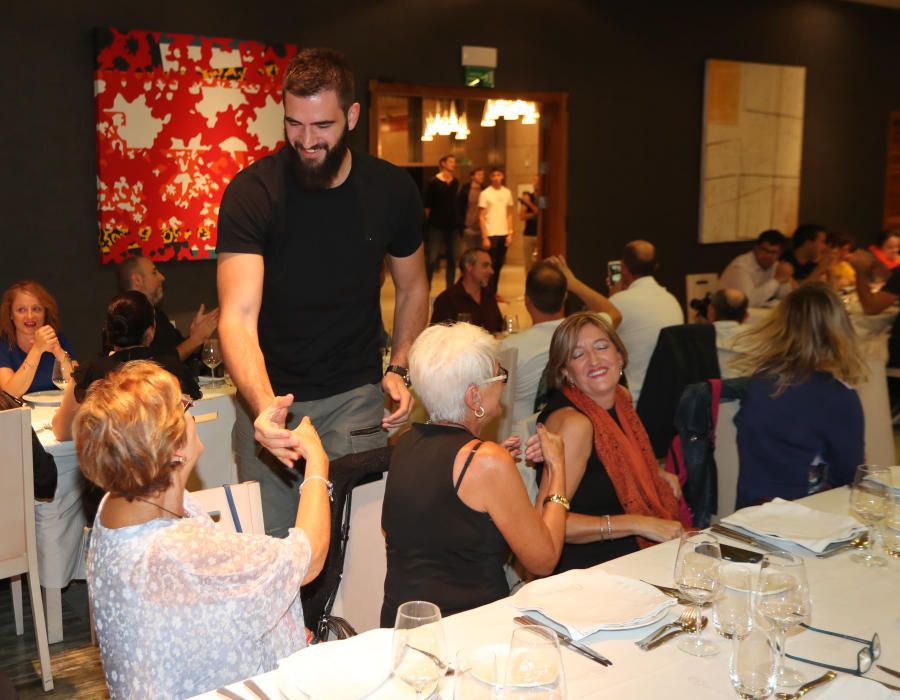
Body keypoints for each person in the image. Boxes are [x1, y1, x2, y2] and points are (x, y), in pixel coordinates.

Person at [216, 48, 428, 537]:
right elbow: (237, 316)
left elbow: (414, 288)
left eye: (322, 126)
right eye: (294, 124)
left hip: (353, 397)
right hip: (269, 401)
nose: (306, 141)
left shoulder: (391, 191)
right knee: (270, 557)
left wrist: (399, 366)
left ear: (352, 115)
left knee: (351, 550)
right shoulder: (254, 193)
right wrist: (266, 408)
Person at [75, 361, 331, 698]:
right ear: (175, 451)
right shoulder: (176, 548)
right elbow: (307, 558)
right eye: (183, 405)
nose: (190, 407)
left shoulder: (118, 503)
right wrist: (317, 462)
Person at [381, 322, 566, 623]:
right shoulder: (485, 462)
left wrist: (494, 471)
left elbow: (437, 533)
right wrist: (557, 469)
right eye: (498, 375)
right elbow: (543, 559)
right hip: (467, 635)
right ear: (474, 397)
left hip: (404, 629)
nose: (503, 383)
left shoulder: (405, 444)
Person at [537, 312, 682, 573]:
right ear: (566, 372)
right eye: (578, 355)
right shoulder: (575, 424)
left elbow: (616, 465)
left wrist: (655, 473)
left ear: (620, 356)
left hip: (631, 555)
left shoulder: (620, 399)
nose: (594, 360)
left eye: (602, 347)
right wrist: (637, 523)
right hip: (593, 568)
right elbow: (545, 526)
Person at [731, 283, 865, 508]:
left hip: (751, 512)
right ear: (840, 330)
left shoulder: (762, 380)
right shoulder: (837, 395)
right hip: (805, 519)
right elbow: (850, 474)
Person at [52, 291, 200, 441]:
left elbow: (63, 431)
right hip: (160, 460)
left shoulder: (92, 371)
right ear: (150, 332)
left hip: (112, 462)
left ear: (107, 331)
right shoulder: (173, 369)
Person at [501, 257, 621, 425]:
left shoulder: (511, 347)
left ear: (527, 301)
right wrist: (574, 283)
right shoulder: (585, 333)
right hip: (582, 424)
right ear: (565, 297)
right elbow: (613, 313)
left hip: (525, 442)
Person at [608, 241, 684, 404]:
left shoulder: (619, 302)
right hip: (669, 401)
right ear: (656, 266)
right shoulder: (672, 300)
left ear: (623, 267)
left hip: (633, 401)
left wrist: (610, 299)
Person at [117, 255, 219, 362]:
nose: (162, 277)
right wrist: (196, 339)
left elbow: (179, 351)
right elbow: (157, 364)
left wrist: (194, 336)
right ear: (137, 280)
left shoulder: (157, 315)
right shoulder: (126, 318)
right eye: (154, 272)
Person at [0, 281, 74, 397]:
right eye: (21, 310)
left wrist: (59, 353)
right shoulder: (4, 344)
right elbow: (9, 394)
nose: (30, 316)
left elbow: (76, 385)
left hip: (54, 412)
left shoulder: (58, 338)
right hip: (21, 414)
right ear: (11, 314)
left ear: (45, 312)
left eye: (36, 309)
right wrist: (37, 350)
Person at [431, 247, 503, 333]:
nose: (491, 271)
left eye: (490, 266)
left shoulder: (488, 296)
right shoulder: (447, 300)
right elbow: (437, 338)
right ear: (468, 266)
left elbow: (500, 329)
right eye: (485, 265)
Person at [717, 229, 794, 307]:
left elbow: (785, 298)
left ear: (780, 254)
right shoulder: (740, 266)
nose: (768, 256)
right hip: (727, 312)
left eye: (773, 253)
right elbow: (748, 303)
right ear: (756, 248)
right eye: (764, 250)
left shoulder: (776, 265)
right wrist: (777, 280)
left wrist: (785, 280)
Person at [424, 154, 461, 289]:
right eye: (451, 161)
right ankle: (427, 285)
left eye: (454, 162)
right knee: (432, 257)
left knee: (452, 258)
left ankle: (450, 288)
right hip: (436, 224)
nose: (453, 164)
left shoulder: (455, 182)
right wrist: (427, 223)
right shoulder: (433, 182)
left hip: (452, 225)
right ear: (443, 163)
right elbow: (427, 205)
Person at [478, 166, 515, 294]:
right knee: (490, 265)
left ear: (502, 176)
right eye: (493, 175)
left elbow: (510, 214)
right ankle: (487, 292)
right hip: (491, 233)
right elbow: (481, 216)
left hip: (503, 232)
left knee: (499, 265)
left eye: (499, 175)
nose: (496, 178)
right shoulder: (485, 193)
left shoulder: (507, 192)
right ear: (490, 177)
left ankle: (494, 292)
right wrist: (484, 237)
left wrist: (510, 233)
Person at [700, 288, 749, 379]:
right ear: (746, 316)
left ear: (710, 311)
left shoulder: (694, 338)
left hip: (710, 392)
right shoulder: (762, 338)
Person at [458, 167, 486, 253]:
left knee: (480, 253)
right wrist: (462, 225)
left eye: (482, 175)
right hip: (468, 227)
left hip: (481, 228)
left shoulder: (485, 190)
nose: (481, 177)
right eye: (479, 175)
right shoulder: (465, 189)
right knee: (468, 252)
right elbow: (459, 207)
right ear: (472, 177)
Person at [519, 184, 540, 273]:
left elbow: (541, 212)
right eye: (535, 182)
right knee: (528, 264)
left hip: (541, 235)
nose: (537, 185)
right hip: (528, 235)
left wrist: (529, 204)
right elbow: (522, 216)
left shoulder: (543, 198)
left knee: (541, 263)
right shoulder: (529, 197)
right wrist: (535, 213)